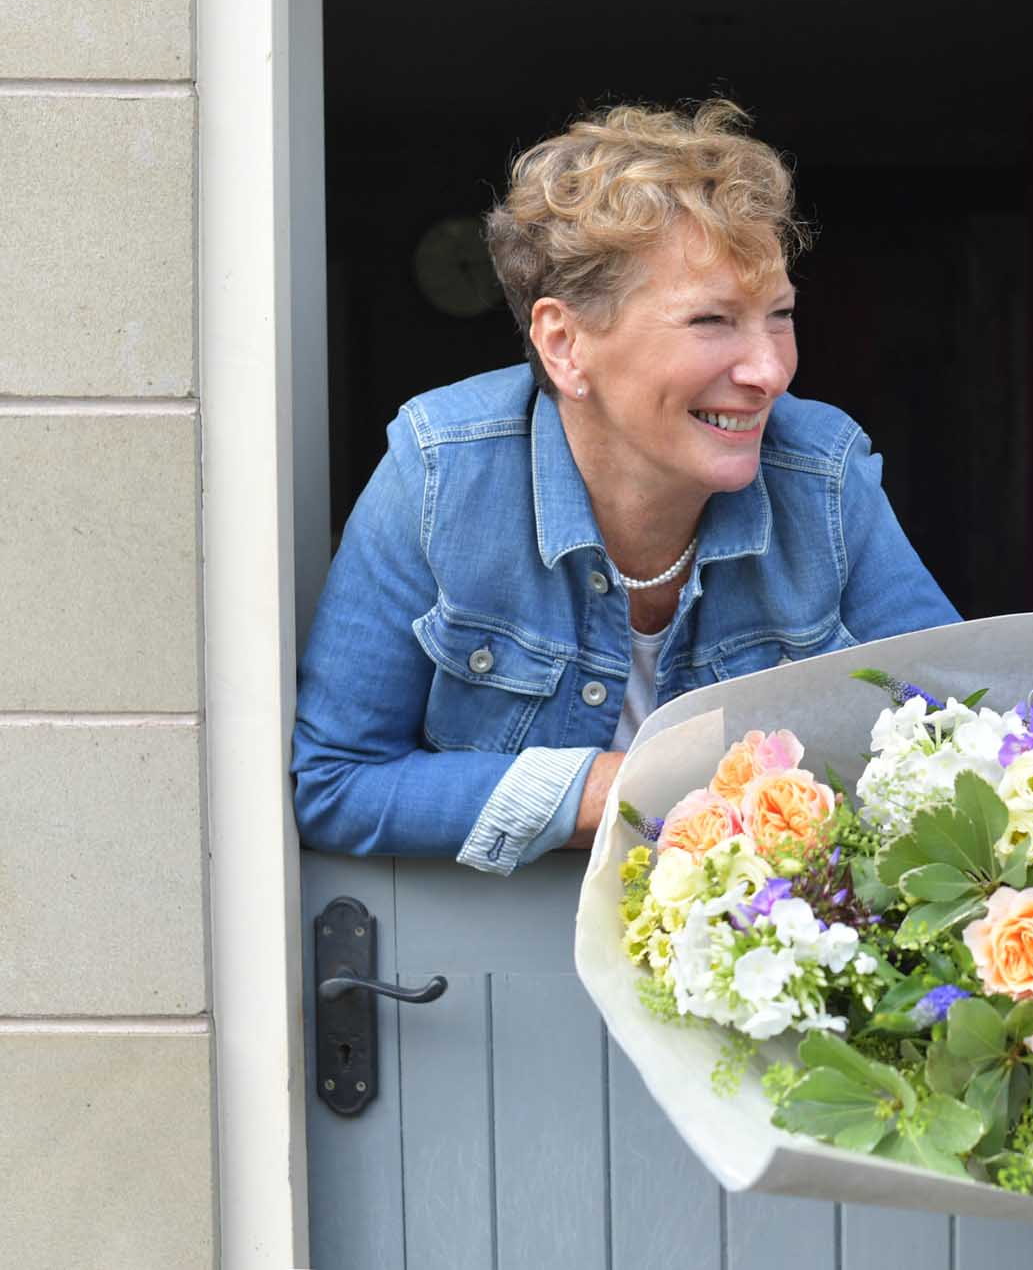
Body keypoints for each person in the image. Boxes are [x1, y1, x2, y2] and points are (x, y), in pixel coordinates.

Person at [292, 101, 958, 874]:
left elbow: (957, 739)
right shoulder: (441, 472)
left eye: (779, 315)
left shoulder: (822, 474)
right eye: (712, 320)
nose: (770, 370)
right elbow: (336, 780)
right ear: (565, 343)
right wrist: (641, 789)